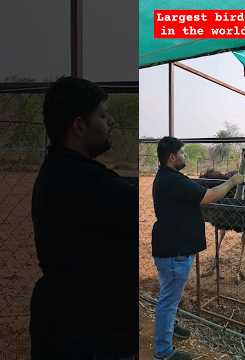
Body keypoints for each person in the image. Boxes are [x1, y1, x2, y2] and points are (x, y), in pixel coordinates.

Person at [30, 76, 138, 359]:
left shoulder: (54, 171)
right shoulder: (91, 184)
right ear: (79, 125)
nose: (110, 122)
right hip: (92, 334)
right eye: (102, 115)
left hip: (60, 323)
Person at [152, 137, 245, 360]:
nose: (185, 156)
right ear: (173, 157)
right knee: (168, 299)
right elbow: (209, 196)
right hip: (175, 251)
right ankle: (163, 352)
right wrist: (232, 181)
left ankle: (170, 328)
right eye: (182, 153)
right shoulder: (172, 181)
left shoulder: (167, 177)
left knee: (170, 295)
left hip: (171, 248)